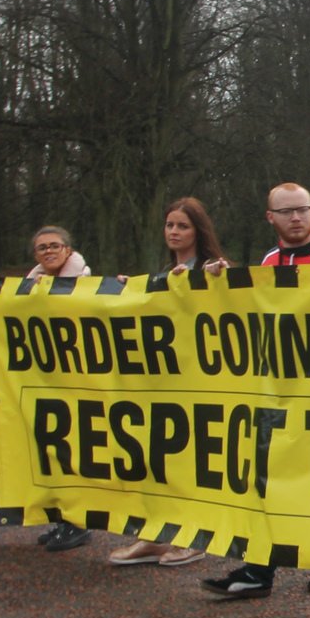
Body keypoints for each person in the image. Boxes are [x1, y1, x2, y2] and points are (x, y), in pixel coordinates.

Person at [201, 182, 310, 599]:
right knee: (267, 479)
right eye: (286, 211)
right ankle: (258, 570)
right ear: (270, 217)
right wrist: (219, 283)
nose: (296, 218)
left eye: (302, 209)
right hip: (277, 390)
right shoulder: (270, 259)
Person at [108, 197, 232, 568]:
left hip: (200, 385)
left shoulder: (212, 270)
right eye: (170, 226)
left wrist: (216, 280)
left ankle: (196, 535)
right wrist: (132, 292)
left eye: (183, 226)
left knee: (194, 462)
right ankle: (155, 536)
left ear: (199, 231)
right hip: (161, 383)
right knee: (158, 461)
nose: (174, 232)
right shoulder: (163, 275)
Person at [0, 227, 97, 551]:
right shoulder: (27, 287)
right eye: (42, 248)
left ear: (68, 249)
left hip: (78, 384)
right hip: (47, 385)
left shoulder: (88, 284)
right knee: (51, 452)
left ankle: (77, 523)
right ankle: (62, 518)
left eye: (55, 246)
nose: (48, 252)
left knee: (74, 454)